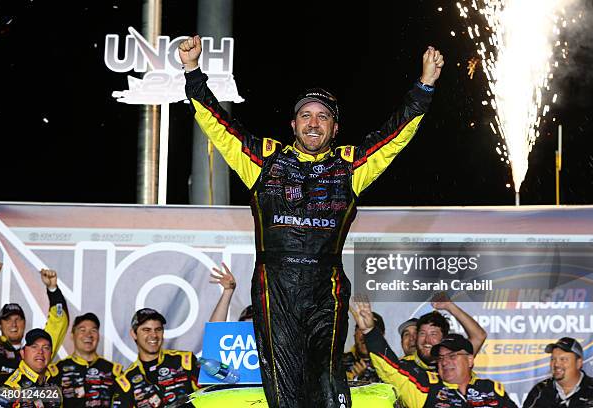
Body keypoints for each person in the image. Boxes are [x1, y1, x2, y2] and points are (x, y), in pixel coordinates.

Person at [178, 34, 444, 408]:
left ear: (335, 129)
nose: (314, 123)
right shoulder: (263, 160)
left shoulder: (350, 166)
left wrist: (425, 85)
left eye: (323, 116)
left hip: (327, 290)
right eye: (306, 115)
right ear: (294, 124)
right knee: (284, 387)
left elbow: (393, 137)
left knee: (325, 379)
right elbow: (219, 126)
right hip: (276, 290)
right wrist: (192, 71)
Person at [352, 299, 517, 407]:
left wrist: (450, 306)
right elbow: (391, 369)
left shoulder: (491, 389)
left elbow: (479, 336)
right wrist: (370, 331)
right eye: (442, 357)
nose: (445, 361)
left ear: (470, 360)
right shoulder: (427, 388)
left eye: (452, 356)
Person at [0, 268, 69, 386]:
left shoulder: (38, 348)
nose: (14, 324)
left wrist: (53, 290)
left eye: (18, 319)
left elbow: (58, 324)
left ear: (25, 323)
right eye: (8, 319)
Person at [112, 308, 200, 407]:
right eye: (146, 330)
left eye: (158, 329)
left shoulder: (185, 361)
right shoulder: (126, 380)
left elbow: (213, 391)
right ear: (134, 334)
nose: (154, 335)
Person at [48, 312, 123, 407]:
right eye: (82, 330)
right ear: (72, 335)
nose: (88, 335)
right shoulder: (57, 370)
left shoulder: (113, 371)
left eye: (93, 330)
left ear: (98, 336)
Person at [523, 337, 593, 407]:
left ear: (578, 363)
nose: (556, 364)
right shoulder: (539, 391)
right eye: (553, 359)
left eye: (563, 359)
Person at [0, 329, 62, 408]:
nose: (40, 352)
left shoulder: (56, 378)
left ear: (50, 355)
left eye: (46, 348)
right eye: (34, 347)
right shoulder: (9, 386)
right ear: (22, 353)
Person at [343, 311, 385, 384]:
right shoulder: (337, 362)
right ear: (354, 333)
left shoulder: (391, 369)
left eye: (372, 330)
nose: (365, 334)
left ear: (382, 337)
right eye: (362, 327)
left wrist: (366, 380)